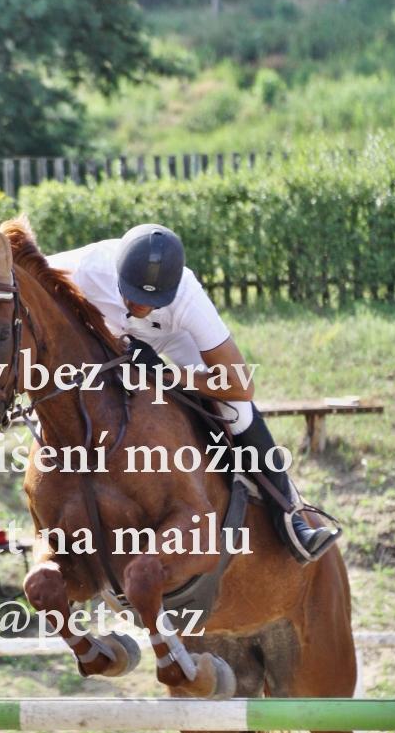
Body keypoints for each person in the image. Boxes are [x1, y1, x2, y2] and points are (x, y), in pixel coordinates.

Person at [48, 224, 340, 564]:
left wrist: (167, 375)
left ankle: (289, 515)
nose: (139, 304)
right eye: (132, 294)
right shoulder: (86, 268)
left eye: (150, 299)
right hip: (105, 338)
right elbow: (18, 270)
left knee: (235, 408)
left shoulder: (188, 297)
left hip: (172, 337)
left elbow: (240, 384)